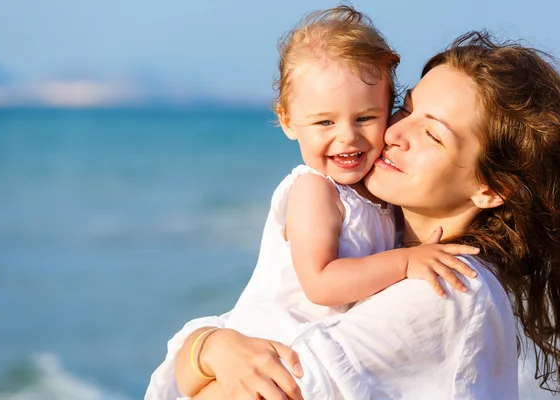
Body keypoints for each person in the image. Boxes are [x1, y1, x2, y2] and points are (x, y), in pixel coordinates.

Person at [146, 14, 560, 400]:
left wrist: (205, 352)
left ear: (491, 188)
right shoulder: (379, 234)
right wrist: (213, 347)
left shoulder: (448, 287)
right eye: (408, 108)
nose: (396, 133)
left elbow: (274, 387)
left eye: (433, 135)